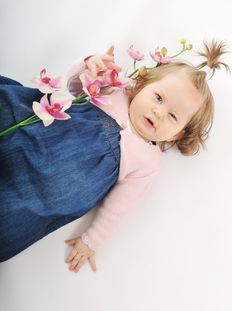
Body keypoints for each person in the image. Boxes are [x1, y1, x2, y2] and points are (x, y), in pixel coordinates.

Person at [0, 40, 228, 273]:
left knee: (13, 214)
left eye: (173, 117)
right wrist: (89, 65)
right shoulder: (115, 91)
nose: (158, 113)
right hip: (40, 134)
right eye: (158, 98)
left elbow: (120, 206)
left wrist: (91, 241)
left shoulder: (148, 161)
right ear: (141, 85)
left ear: (178, 134)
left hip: (49, 191)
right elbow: (75, 89)